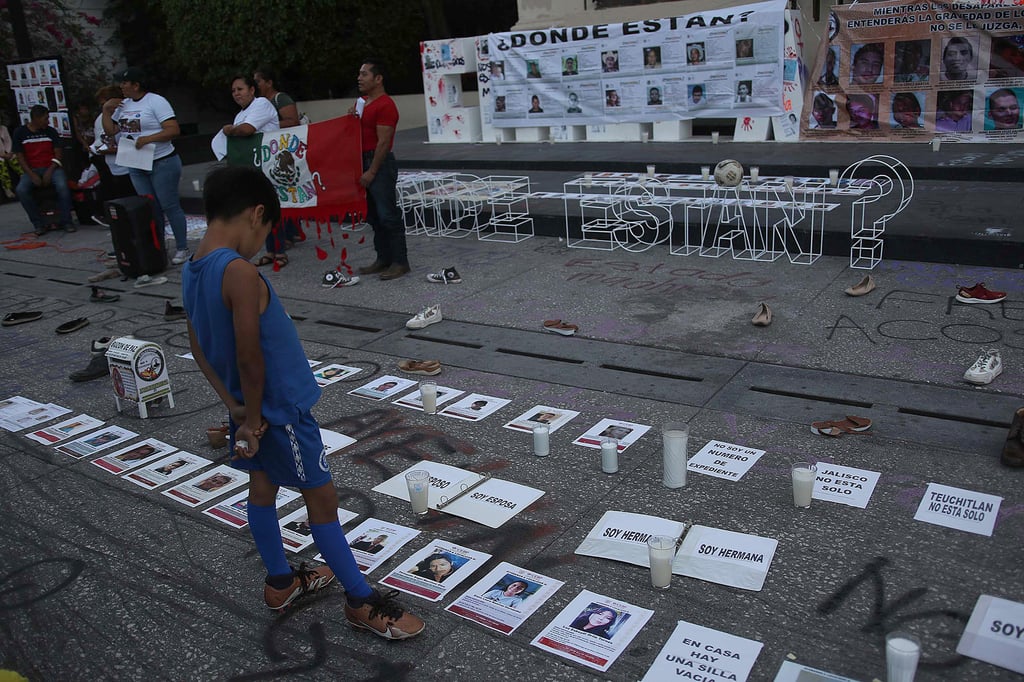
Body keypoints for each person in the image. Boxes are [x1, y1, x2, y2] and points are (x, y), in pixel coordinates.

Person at [182, 164, 424, 638]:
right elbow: (251, 357)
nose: (264, 242)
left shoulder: (193, 267)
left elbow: (196, 345)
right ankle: (360, 599)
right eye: (269, 230)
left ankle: (280, 582)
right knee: (323, 499)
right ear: (256, 215)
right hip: (279, 414)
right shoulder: (238, 271)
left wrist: (234, 409)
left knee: (262, 487)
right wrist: (253, 418)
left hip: (249, 413)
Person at [102, 67, 190, 265]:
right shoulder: (123, 105)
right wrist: (106, 111)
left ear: (136, 85)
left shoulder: (156, 101)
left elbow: (173, 129)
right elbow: (111, 131)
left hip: (162, 161)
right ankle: (157, 245)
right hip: (135, 162)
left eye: (125, 83)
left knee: (169, 204)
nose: (121, 87)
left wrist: (148, 138)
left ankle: (182, 247)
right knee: (149, 206)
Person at [353, 59, 409, 281]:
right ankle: (383, 258)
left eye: (364, 74)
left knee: (388, 215)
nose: (359, 78)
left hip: (379, 163)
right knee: (374, 216)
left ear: (378, 79)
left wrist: (372, 171)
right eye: (359, 73)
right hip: (363, 161)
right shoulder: (362, 102)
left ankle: (400, 261)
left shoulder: (385, 105)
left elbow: (383, 143)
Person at [222, 75, 286, 269]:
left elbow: (247, 130)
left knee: (273, 206)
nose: (236, 94)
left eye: (240, 89)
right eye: (233, 91)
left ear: (252, 90)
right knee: (260, 208)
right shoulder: (241, 113)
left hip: (270, 164)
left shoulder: (261, 104)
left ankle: (280, 251)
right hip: (254, 167)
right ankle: (270, 250)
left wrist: (229, 130)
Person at [254, 65, 303, 255]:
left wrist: (265, 125)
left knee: (284, 190)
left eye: (258, 81)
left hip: (283, 152)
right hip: (269, 154)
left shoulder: (280, 99)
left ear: (269, 82)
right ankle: (287, 234)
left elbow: (292, 121)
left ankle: (290, 233)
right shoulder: (259, 103)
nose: (256, 84)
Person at [12, 104, 76, 234]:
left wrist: (50, 170)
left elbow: (58, 154)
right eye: (45, 119)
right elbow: (20, 157)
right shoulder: (20, 132)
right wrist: (31, 174)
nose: (47, 122)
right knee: (21, 190)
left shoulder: (50, 131)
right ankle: (38, 223)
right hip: (32, 169)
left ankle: (67, 221)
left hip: (51, 167)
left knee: (62, 186)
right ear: (35, 118)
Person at [91, 85, 135, 208]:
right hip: (119, 168)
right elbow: (102, 146)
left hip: (133, 165)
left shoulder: (127, 114)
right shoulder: (102, 119)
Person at [0, 114, 23, 201]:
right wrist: (2, 154)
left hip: (8, 152)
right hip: (0, 155)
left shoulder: (4, 128)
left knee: (15, 161)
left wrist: (9, 152)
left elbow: (8, 141)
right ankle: (7, 188)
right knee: (2, 167)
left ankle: (24, 181)